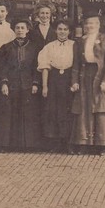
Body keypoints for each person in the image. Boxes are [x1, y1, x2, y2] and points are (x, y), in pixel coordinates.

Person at [0, 18, 41, 150]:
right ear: (14, 29)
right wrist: (4, 83)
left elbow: (37, 67)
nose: (20, 30)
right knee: (8, 114)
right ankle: (6, 145)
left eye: (22, 28)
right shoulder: (6, 47)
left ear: (27, 30)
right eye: (17, 28)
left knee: (27, 114)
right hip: (10, 84)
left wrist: (35, 83)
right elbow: (2, 67)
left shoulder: (34, 48)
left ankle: (26, 145)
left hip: (27, 84)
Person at [70, 15, 105, 155]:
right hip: (85, 77)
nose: (90, 26)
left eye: (93, 23)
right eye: (87, 24)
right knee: (84, 110)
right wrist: (74, 81)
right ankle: (84, 143)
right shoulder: (79, 41)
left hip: (100, 77)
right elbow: (76, 63)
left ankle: (103, 145)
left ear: (98, 25)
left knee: (101, 109)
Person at [38, 20, 75, 148]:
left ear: (69, 31)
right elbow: (45, 67)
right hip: (53, 79)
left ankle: (67, 142)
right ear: (56, 30)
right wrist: (44, 86)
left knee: (66, 109)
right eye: (60, 29)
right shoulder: (49, 46)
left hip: (69, 78)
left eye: (65, 29)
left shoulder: (74, 45)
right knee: (52, 109)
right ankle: (54, 142)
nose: (62, 32)